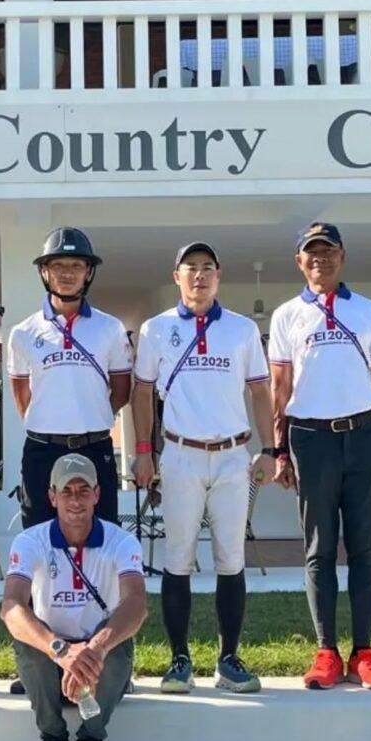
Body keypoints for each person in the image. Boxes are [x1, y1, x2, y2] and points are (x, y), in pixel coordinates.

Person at [268, 222, 371, 691]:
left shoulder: (367, 310)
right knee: (319, 549)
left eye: (328, 251)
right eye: (311, 252)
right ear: (299, 262)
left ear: (342, 256)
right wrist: (280, 450)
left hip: (364, 436)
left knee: (364, 549)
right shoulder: (287, 316)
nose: (320, 259)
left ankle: (364, 652)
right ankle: (326, 651)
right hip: (311, 441)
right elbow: (280, 388)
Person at [131, 241, 275, 695]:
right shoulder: (156, 329)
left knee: (231, 559)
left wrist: (272, 449)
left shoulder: (241, 330)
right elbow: (141, 392)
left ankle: (228, 659)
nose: (199, 275)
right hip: (180, 455)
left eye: (207, 267)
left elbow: (261, 391)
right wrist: (143, 450)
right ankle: (179, 660)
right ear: (176, 276)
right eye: (190, 267)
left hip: (233, 455)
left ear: (219, 275)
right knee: (178, 559)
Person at [0, 454, 147, 741]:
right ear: (52, 497)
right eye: (66, 492)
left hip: (99, 662)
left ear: (97, 494)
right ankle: (52, 739)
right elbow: (11, 606)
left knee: (117, 642)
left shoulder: (122, 542)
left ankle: (91, 739)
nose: (75, 500)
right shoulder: (30, 541)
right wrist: (61, 651)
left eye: (83, 491)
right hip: (53, 657)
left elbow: (136, 603)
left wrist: (95, 648)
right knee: (29, 639)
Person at [7, 228, 132, 527]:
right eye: (58, 265)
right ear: (44, 271)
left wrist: (90, 415)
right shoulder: (23, 332)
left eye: (76, 265)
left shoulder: (110, 328)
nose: (67, 273)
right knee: (38, 536)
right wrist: (50, 422)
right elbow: (21, 394)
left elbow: (121, 391)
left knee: (101, 535)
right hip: (42, 450)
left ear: (88, 272)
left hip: (95, 446)